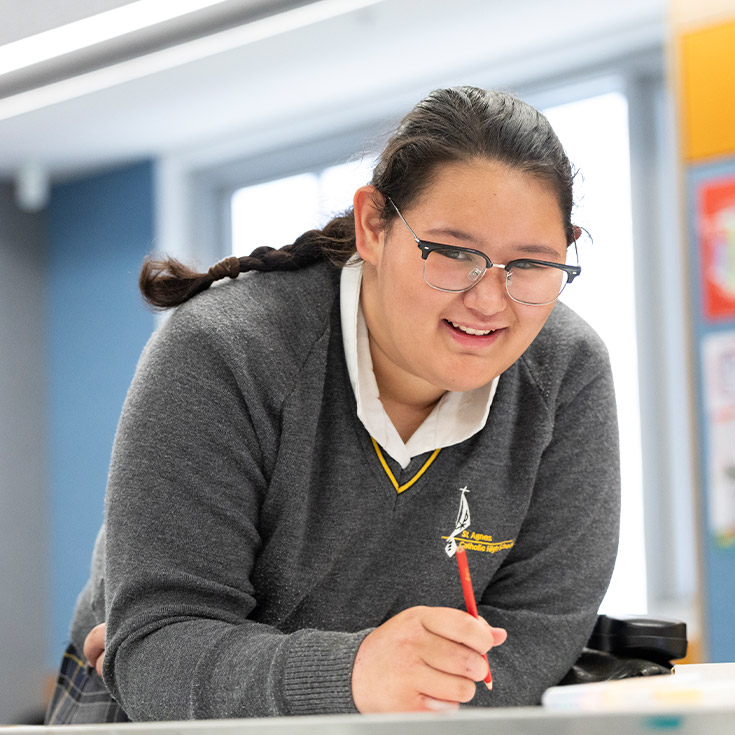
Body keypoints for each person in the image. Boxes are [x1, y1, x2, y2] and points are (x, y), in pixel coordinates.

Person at [45, 86, 620, 724]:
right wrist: (355, 673)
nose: (489, 300)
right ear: (374, 225)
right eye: (453, 253)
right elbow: (161, 651)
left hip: (416, 718)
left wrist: (398, 690)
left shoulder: (567, 375)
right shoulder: (226, 351)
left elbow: (539, 633)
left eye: (531, 263)